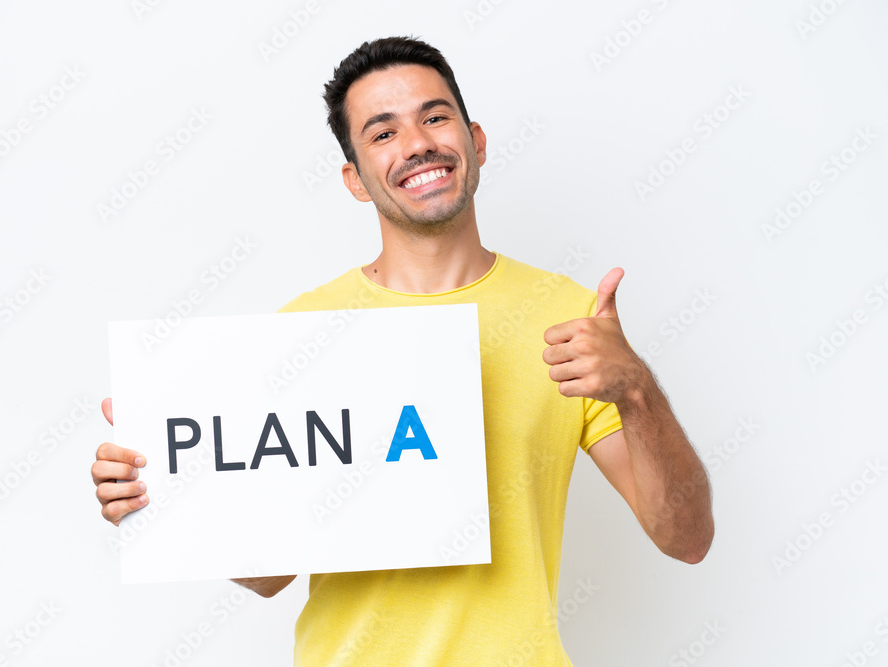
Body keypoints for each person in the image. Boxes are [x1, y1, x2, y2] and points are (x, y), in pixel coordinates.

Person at [91, 36, 714, 665]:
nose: (418, 144)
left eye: (435, 117)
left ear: (478, 141)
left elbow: (685, 538)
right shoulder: (305, 333)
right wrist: (166, 496)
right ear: (355, 180)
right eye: (383, 133)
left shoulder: (569, 317)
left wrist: (636, 389)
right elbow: (268, 576)